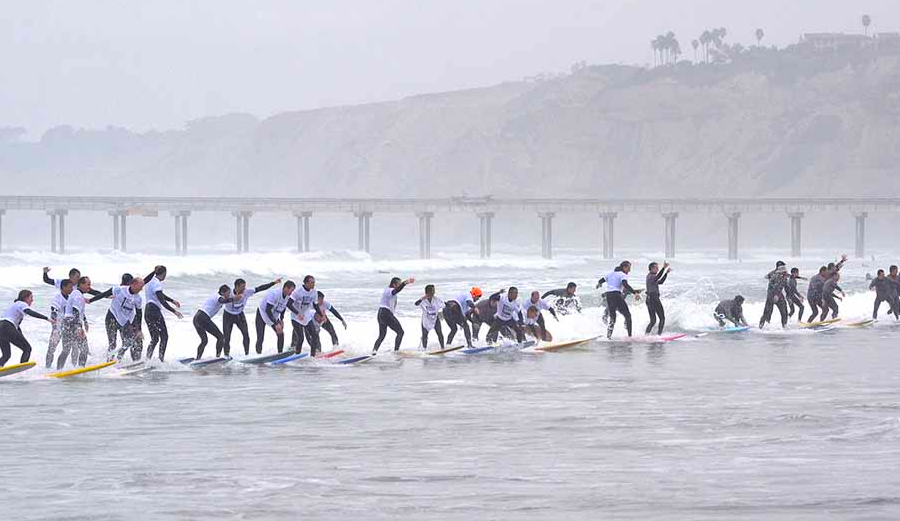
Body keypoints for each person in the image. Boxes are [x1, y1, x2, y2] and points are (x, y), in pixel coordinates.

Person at [90, 274, 145, 362]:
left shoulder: (138, 298)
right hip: (112, 317)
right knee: (112, 344)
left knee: (128, 342)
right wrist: (90, 300)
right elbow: (103, 294)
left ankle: (118, 359)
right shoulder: (119, 289)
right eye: (140, 287)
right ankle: (109, 362)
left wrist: (139, 330)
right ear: (133, 284)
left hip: (124, 321)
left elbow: (139, 314)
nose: (142, 289)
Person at [223, 277, 280, 356]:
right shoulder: (229, 294)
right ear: (236, 286)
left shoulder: (247, 292)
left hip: (239, 315)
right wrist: (233, 299)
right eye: (242, 287)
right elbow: (221, 301)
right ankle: (226, 355)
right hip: (228, 315)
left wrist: (274, 282)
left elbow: (260, 288)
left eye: (245, 286)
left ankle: (247, 355)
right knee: (227, 337)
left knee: (246, 335)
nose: (244, 289)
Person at [0, 290, 52, 367]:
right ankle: (21, 372)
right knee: (27, 349)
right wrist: (46, 318)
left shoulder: (15, 305)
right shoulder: (21, 303)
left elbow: (17, 328)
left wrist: (21, 337)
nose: (32, 300)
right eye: (31, 297)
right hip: (7, 326)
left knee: (6, 355)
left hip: (2, 326)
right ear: (25, 298)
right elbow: (29, 312)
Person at [143, 266, 183, 362]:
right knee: (164, 336)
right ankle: (161, 360)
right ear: (164, 273)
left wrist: (172, 300)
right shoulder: (157, 284)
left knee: (155, 338)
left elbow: (160, 295)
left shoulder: (150, 281)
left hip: (147, 311)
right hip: (154, 311)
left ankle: (147, 359)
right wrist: (174, 311)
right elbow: (162, 301)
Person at [373, 276, 414, 354]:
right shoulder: (390, 290)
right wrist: (405, 283)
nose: (399, 285)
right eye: (398, 284)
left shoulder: (386, 289)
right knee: (400, 332)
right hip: (386, 313)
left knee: (381, 336)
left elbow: (396, 291)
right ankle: (396, 351)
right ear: (394, 284)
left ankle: (374, 351)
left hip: (380, 314)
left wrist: (402, 284)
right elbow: (395, 291)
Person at [600, 261, 641, 339]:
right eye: (629, 268)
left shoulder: (610, 273)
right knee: (628, 315)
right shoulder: (622, 274)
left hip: (609, 295)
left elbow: (601, 280)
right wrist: (634, 292)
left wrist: (599, 284)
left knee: (613, 317)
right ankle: (629, 336)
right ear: (624, 267)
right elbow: (625, 284)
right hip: (616, 295)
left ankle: (608, 336)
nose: (629, 270)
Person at [194, 285, 233, 359]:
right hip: (203, 318)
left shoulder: (216, 295)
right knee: (220, 337)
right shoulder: (218, 297)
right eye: (228, 293)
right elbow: (222, 301)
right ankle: (217, 357)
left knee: (204, 341)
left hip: (196, 318)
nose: (229, 294)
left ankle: (197, 359)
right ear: (222, 292)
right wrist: (233, 299)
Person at [255, 281, 295, 354]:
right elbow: (267, 310)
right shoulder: (275, 294)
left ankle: (280, 354)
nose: (291, 293)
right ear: (286, 288)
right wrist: (276, 323)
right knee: (260, 337)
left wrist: (281, 320)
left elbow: (283, 306)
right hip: (262, 313)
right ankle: (258, 354)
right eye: (291, 290)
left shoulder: (287, 296)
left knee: (281, 333)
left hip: (273, 314)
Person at [287, 275, 322, 356]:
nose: (314, 284)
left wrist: (321, 315)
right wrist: (298, 313)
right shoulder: (298, 292)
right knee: (301, 338)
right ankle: (297, 355)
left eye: (314, 282)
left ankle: (312, 356)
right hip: (295, 317)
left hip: (306, 317)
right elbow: (288, 304)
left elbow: (315, 305)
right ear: (306, 283)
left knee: (314, 336)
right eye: (312, 282)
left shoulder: (314, 292)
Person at [44, 279, 73, 368]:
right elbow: (53, 309)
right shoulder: (58, 297)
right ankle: (47, 368)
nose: (72, 289)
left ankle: (59, 369)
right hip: (58, 327)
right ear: (64, 287)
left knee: (66, 350)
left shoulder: (71, 298)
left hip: (68, 327)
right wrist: (54, 323)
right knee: (51, 349)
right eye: (70, 287)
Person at [759, 261, 789, 329]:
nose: (786, 272)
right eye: (784, 272)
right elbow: (777, 287)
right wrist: (776, 295)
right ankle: (784, 327)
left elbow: (767, 277)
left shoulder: (775, 274)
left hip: (774, 295)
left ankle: (761, 326)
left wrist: (788, 296)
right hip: (774, 295)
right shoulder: (779, 276)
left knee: (769, 312)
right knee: (780, 312)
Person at [414, 284, 445, 349]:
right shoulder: (423, 300)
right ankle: (424, 349)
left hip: (435, 319)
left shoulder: (436, 299)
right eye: (433, 290)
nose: (434, 292)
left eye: (434, 290)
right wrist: (422, 298)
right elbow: (416, 304)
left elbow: (443, 304)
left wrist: (448, 305)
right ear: (428, 292)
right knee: (425, 335)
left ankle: (443, 348)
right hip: (426, 320)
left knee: (439, 333)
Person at [644, 261, 670, 335]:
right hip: (653, 299)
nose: (658, 269)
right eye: (656, 268)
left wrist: (666, 273)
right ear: (652, 269)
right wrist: (664, 268)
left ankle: (646, 335)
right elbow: (658, 277)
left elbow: (661, 281)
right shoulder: (651, 276)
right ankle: (659, 335)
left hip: (649, 299)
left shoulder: (651, 277)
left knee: (653, 321)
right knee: (662, 318)